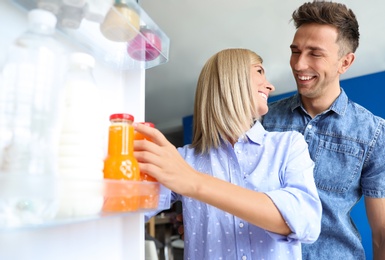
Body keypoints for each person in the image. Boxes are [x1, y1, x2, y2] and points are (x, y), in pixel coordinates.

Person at [134, 48, 322, 259]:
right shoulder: (183, 160)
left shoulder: (288, 146)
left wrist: (194, 182)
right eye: (259, 71)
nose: (270, 85)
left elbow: (305, 221)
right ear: (230, 77)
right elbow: (126, 209)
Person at [262, 1, 385, 260]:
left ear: (345, 62)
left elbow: (382, 232)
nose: (298, 64)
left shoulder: (373, 133)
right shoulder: (262, 121)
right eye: (296, 51)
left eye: (314, 54)